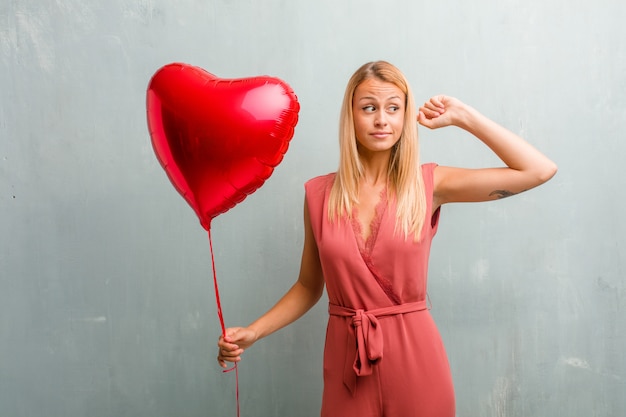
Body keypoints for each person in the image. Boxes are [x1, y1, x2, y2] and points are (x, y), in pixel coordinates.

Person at [217, 61, 557, 417]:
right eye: (369, 108)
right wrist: (254, 332)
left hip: (416, 359)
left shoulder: (430, 184)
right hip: (347, 362)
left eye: (394, 108)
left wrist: (463, 116)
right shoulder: (319, 194)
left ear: (406, 116)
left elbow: (538, 170)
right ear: (351, 116)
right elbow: (308, 286)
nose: (382, 119)